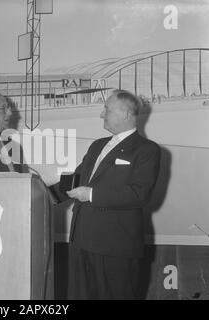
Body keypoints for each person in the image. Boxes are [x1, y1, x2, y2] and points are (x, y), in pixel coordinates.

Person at [51, 89, 161, 300]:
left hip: (115, 246)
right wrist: (42, 194)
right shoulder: (97, 145)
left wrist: (92, 194)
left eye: (107, 109)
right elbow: (75, 180)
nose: (102, 114)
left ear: (126, 114)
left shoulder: (147, 150)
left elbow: (140, 194)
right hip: (81, 241)